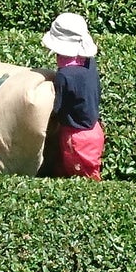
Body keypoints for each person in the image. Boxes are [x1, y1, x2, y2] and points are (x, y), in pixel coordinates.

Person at [39, 13, 105, 180]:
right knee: (83, 174)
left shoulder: (65, 75)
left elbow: (57, 107)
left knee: (82, 179)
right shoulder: (89, 62)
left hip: (77, 138)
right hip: (94, 131)